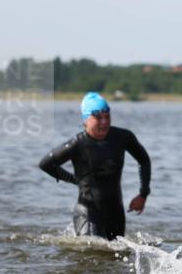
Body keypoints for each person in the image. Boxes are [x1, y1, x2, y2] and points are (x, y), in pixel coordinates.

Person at [38, 92, 151, 240]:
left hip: (116, 213)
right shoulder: (77, 144)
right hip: (88, 212)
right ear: (86, 120)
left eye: (107, 116)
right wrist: (73, 179)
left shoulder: (122, 137)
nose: (104, 122)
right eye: (98, 117)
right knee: (93, 254)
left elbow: (144, 160)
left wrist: (143, 194)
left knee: (114, 258)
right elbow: (46, 164)